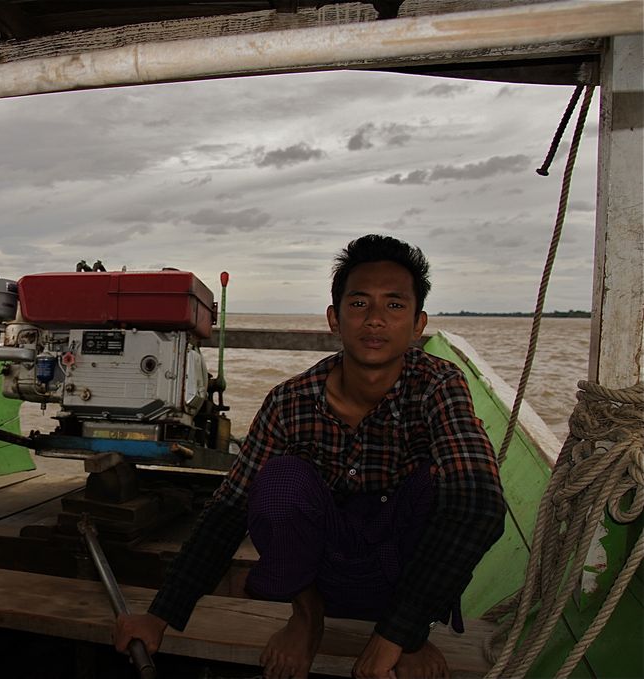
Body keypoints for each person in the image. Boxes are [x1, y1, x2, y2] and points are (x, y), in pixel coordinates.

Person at [114, 234, 506, 679]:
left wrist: (401, 633)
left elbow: (481, 504)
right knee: (279, 479)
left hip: (408, 578)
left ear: (418, 324)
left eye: (394, 306)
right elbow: (228, 511)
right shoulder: (290, 401)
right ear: (334, 319)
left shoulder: (438, 385)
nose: (375, 320)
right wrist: (160, 614)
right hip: (321, 578)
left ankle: (412, 635)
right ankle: (306, 619)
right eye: (359, 304)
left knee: (447, 485)